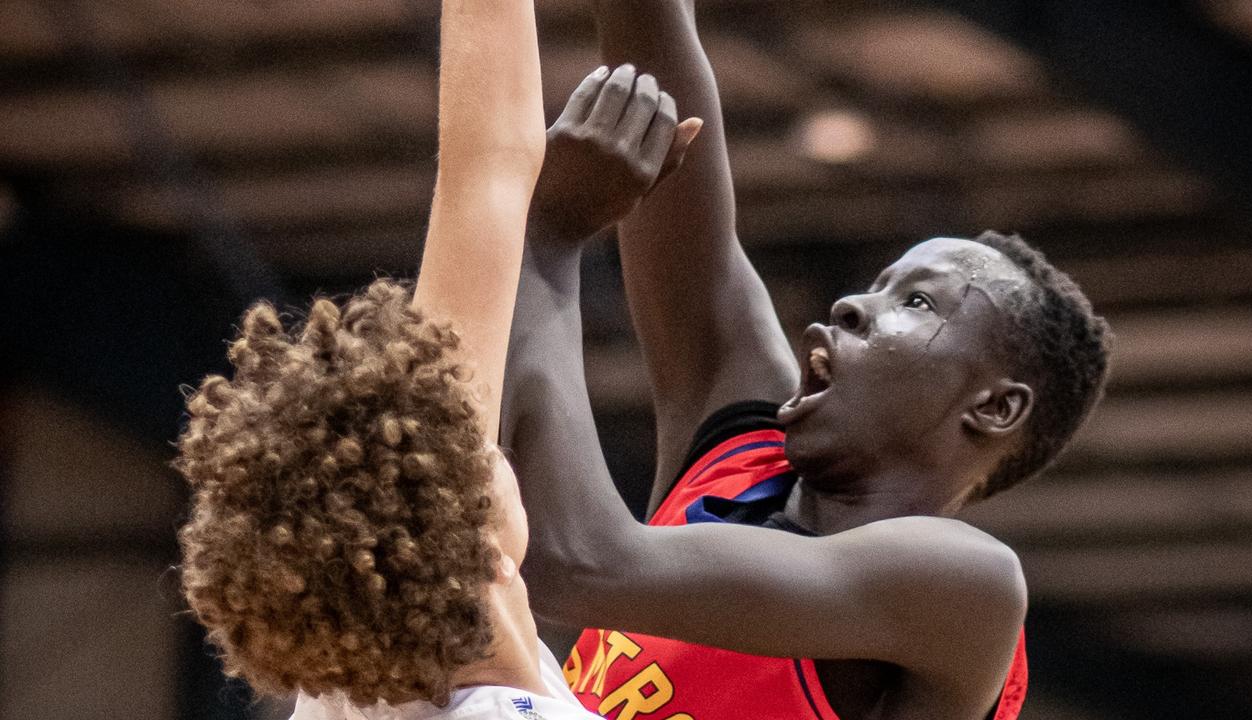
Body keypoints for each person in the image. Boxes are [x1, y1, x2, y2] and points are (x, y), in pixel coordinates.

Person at [500, 2, 1113, 719]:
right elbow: (672, 144)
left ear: (994, 406)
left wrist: (547, 235)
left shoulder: (965, 586)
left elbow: (575, 564)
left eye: (917, 304)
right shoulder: (742, 459)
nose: (853, 304)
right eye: (878, 284)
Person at [173, 0, 694, 716]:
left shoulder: (372, 657)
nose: (488, 439)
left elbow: (488, 168)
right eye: (473, 451)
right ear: (467, 535)